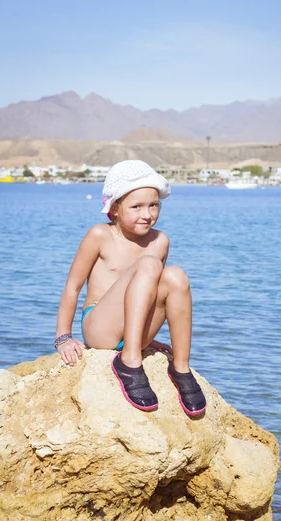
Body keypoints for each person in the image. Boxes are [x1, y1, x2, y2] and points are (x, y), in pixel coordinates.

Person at [54, 160, 206, 417]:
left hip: (137, 331)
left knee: (175, 276)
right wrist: (63, 338)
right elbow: (73, 286)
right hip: (100, 328)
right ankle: (129, 362)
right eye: (136, 207)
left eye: (153, 205)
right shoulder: (100, 235)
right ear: (114, 209)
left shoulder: (160, 241)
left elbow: (154, 293)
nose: (147, 214)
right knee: (148, 264)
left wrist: (151, 336)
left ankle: (181, 367)